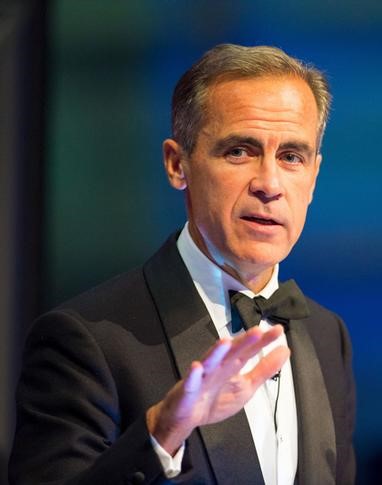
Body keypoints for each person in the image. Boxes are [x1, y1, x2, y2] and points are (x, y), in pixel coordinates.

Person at [9, 44, 356, 485]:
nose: (269, 184)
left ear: (313, 177)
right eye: (240, 151)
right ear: (178, 164)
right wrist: (163, 431)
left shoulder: (328, 337)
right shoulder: (87, 340)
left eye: (291, 156)